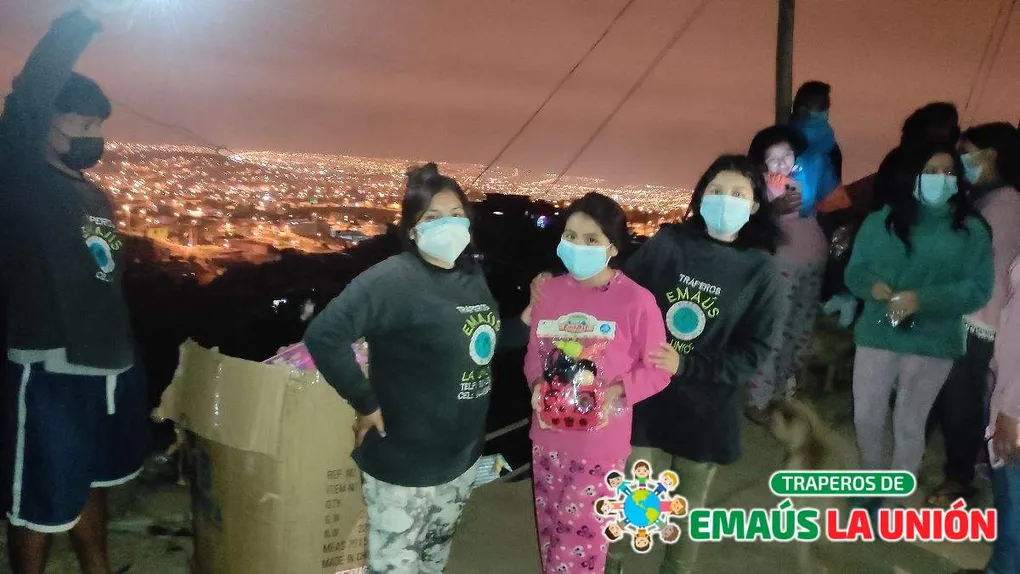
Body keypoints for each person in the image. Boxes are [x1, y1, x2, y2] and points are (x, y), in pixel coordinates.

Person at [0, 3, 150, 574]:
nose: (94, 137)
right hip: (49, 366)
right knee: (37, 499)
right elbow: (30, 94)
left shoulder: (90, 192)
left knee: (93, 479)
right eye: (82, 126)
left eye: (98, 127)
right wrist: (79, 23)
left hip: (107, 365)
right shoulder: (22, 180)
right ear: (47, 123)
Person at [304, 163, 499, 574]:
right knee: (396, 566)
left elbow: (482, 342)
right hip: (405, 463)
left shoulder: (470, 275)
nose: (448, 225)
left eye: (456, 214)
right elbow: (324, 335)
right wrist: (365, 401)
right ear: (412, 230)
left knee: (433, 560)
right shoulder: (392, 280)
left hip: (460, 457)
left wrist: (526, 321)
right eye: (433, 217)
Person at [605, 155, 782, 574]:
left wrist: (686, 364)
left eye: (737, 193)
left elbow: (753, 351)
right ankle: (611, 565)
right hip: (646, 398)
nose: (725, 200)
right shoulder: (668, 245)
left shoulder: (760, 270)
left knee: (686, 511)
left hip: (707, 407)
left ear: (755, 205)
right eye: (716, 190)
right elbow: (620, 295)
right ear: (701, 196)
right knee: (631, 499)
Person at [523, 192, 671, 574]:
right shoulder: (548, 292)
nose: (579, 246)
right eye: (571, 236)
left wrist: (615, 392)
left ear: (613, 247)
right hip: (546, 439)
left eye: (591, 239)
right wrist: (537, 383)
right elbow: (534, 354)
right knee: (550, 539)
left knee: (579, 552)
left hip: (599, 448)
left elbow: (658, 370)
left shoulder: (636, 301)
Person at [844, 145, 993, 517]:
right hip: (879, 332)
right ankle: (871, 481)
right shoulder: (882, 221)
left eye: (948, 173)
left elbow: (978, 288)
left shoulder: (970, 230)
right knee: (867, 416)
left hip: (933, 340)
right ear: (912, 175)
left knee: (909, 422)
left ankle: (896, 494)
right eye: (931, 171)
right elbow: (855, 271)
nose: (940, 180)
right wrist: (872, 287)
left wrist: (922, 299)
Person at [928, 122, 1020, 506]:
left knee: (961, 403)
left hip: (977, 319)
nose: (960, 160)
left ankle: (959, 479)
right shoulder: (988, 197)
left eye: (967, 153)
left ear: (990, 156)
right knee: (955, 397)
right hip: (969, 313)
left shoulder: (1004, 203)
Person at [744, 126, 828, 423]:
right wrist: (773, 209)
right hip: (782, 269)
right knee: (775, 333)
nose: (782, 163)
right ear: (761, 163)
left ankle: (782, 390)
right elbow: (750, 223)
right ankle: (757, 400)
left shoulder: (803, 181)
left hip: (811, 265)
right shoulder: (759, 190)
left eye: (788, 155)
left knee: (799, 331)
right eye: (773, 158)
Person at [790, 81, 842, 214]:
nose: (826, 112)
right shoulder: (794, 150)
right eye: (821, 107)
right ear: (803, 109)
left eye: (827, 106)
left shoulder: (826, 150)